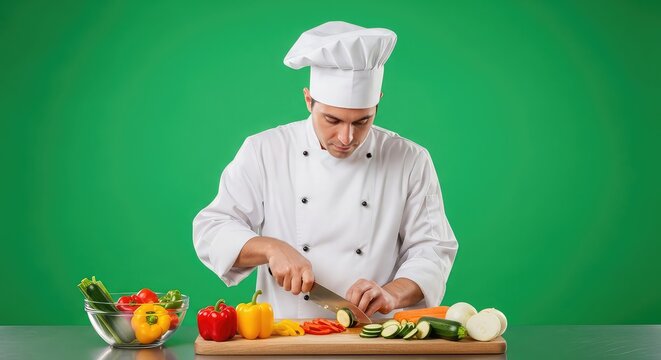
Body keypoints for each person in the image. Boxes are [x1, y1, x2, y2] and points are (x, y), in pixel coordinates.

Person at [193, 21, 458, 319]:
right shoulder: (265, 151)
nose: (347, 138)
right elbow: (212, 228)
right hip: (288, 336)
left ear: (378, 104)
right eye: (332, 120)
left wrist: (391, 293)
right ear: (308, 100)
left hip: (374, 337)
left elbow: (432, 249)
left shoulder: (410, 159)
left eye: (361, 122)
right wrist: (270, 247)